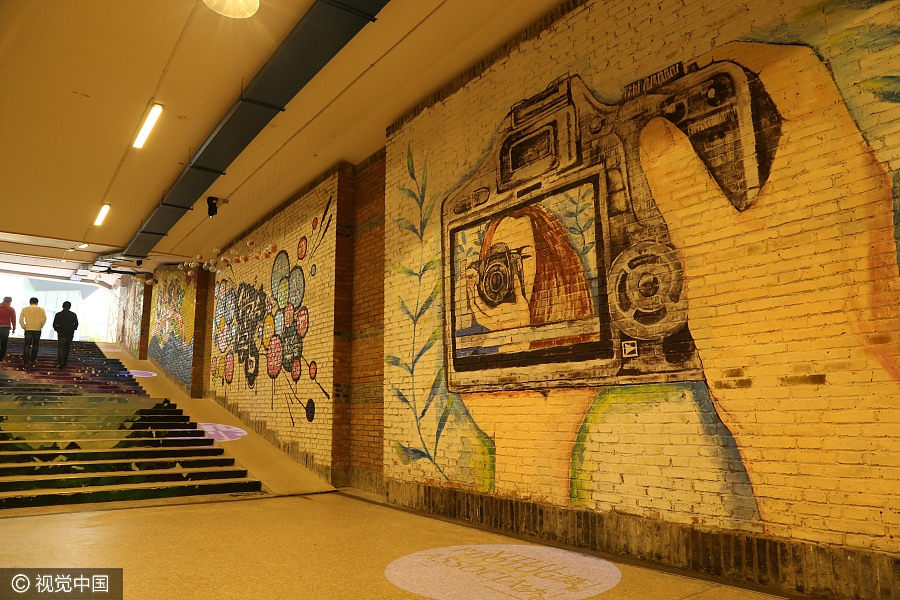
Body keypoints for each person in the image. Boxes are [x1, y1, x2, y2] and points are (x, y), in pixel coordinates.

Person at [19, 297, 46, 369]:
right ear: (37, 302)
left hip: (28, 329)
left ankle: (26, 361)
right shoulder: (41, 309)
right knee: (35, 345)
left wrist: (24, 326)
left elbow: (21, 319)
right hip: (37, 329)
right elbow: (44, 319)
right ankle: (32, 359)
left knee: (27, 345)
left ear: (29, 302)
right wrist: (40, 325)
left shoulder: (25, 309)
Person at [52, 301, 79, 368]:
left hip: (61, 333)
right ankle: (64, 362)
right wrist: (73, 329)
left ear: (62, 306)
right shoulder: (73, 315)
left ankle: (60, 363)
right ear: (70, 307)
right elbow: (76, 324)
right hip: (70, 334)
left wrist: (57, 330)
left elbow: (54, 324)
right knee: (67, 348)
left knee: (61, 348)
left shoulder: (58, 314)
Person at [0, 296, 15, 361]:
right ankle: (0, 358)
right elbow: (13, 319)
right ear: (10, 302)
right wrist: (14, 328)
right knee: (4, 344)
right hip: (5, 328)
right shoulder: (11, 309)